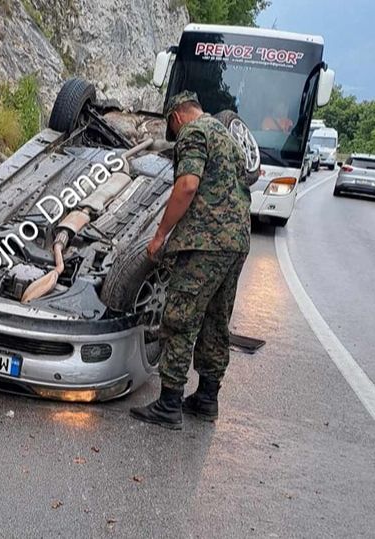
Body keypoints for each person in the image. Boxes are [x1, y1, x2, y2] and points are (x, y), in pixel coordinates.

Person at [130, 91, 251, 430]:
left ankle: (169, 404)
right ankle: (207, 398)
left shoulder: (193, 132)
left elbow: (186, 185)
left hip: (204, 244)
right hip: (236, 242)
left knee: (180, 318)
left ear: (176, 117)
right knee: (216, 319)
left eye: (172, 128)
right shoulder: (226, 136)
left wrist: (160, 235)